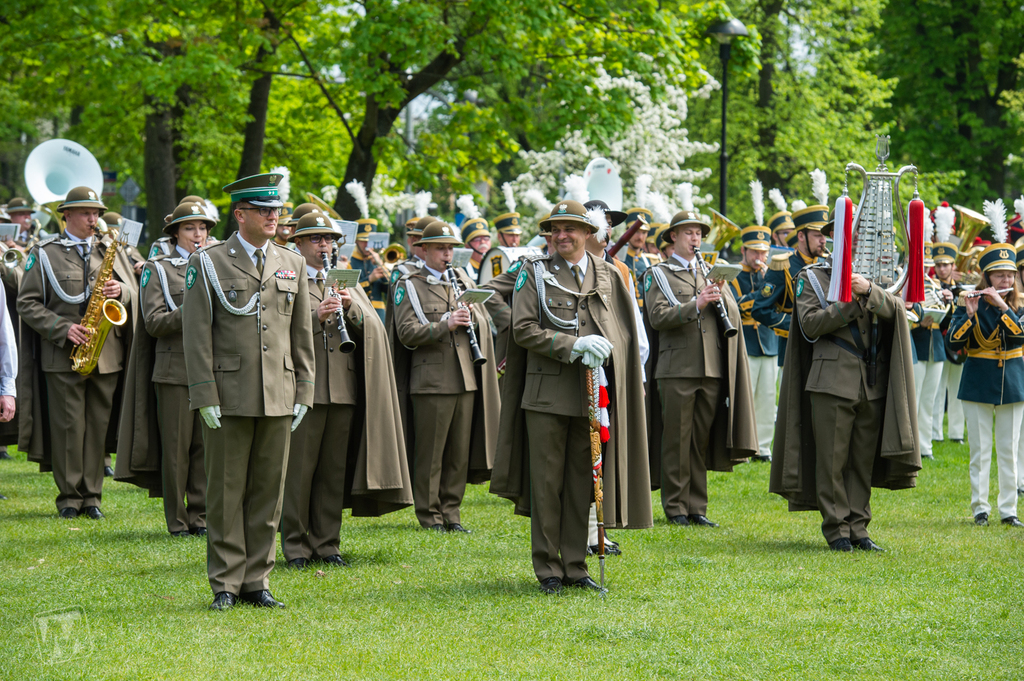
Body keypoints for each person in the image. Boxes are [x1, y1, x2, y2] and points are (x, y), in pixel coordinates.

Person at [491, 200, 651, 594]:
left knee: (584, 480)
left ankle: (576, 566)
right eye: (554, 230)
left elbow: (623, 331)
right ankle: (548, 568)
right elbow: (524, 329)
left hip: (592, 394)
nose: (561, 236)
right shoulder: (535, 273)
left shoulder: (608, 275)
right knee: (548, 484)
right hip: (546, 393)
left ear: (587, 233)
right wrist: (573, 344)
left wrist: (609, 349)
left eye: (570, 229)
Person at [182, 172, 315, 610]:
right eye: (264, 209)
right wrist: (204, 393)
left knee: (268, 491)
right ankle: (225, 581)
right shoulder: (209, 261)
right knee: (225, 490)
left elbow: (301, 333)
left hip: (278, 390)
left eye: (276, 209)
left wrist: (305, 388)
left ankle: (258, 579)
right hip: (229, 392)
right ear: (240, 215)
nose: (274, 215)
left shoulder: (291, 261)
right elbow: (196, 332)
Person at [770, 219, 920, 551]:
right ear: (833, 240)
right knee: (832, 459)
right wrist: (852, 304)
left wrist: (869, 291)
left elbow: (900, 311)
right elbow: (809, 325)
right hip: (831, 381)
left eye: (860, 235)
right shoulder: (813, 278)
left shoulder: (879, 279)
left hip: (872, 382)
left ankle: (859, 527)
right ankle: (836, 528)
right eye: (846, 235)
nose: (855, 241)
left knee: (861, 460)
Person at [281, 212, 413, 568]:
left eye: (329, 240)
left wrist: (351, 308)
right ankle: (295, 546)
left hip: (342, 387)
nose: (325, 246)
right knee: (299, 472)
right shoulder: (286, 277)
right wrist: (315, 317)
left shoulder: (344, 280)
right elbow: (275, 331)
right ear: (298, 243)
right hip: (302, 389)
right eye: (316, 240)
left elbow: (372, 329)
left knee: (331, 471)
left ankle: (327, 544)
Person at [17, 186, 138, 519]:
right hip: (64, 355)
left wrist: (122, 291)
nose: (93, 219)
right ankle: (70, 497)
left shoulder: (110, 249)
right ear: (66, 215)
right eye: (86, 213)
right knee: (69, 428)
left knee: (98, 427)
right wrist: (62, 329)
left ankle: (93, 497)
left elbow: (133, 290)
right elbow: (26, 303)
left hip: (106, 354)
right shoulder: (44, 252)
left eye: (96, 212)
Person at [645, 210, 757, 528]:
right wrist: (696, 303)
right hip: (676, 367)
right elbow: (657, 317)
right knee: (677, 439)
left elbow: (731, 316)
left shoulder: (708, 272)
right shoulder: (660, 274)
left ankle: (697, 507)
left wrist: (720, 294)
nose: (695, 239)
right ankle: (676, 506)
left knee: (700, 440)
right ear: (673, 238)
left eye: (698, 233)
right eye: (689, 233)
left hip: (710, 366)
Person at [390, 221, 500, 532]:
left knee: (457, 454)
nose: (447, 254)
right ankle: (430, 515)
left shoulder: (461, 280)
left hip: (465, 376)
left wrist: (471, 317)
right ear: (423, 250)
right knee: (431, 454)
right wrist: (445, 324)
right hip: (431, 380)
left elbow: (484, 320)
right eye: (440, 248)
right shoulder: (409, 284)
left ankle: (452, 513)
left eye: (450, 248)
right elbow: (407, 332)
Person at [116, 202, 212, 537]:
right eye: (190, 228)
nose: (198, 234)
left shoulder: (216, 266)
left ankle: (201, 517)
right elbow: (154, 323)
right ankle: (178, 520)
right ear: (175, 233)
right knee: (176, 451)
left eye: (202, 228)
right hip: (174, 371)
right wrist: (193, 308)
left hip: (211, 370)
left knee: (205, 449)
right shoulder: (156, 270)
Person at [948, 241, 1024, 528]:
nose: (1006, 280)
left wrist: (1003, 305)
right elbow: (953, 344)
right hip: (978, 378)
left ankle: (1009, 510)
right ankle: (980, 508)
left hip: (1012, 381)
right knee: (979, 450)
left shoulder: (1019, 303)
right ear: (987, 278)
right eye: (999, 275)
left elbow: (1019, 337)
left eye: (1010, 274)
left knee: (1009, 449)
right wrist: (969, 315)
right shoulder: (969, 300)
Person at [752, 204, 827, 368]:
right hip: (793, 348)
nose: (823, 240)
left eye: (825, 235)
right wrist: (793, 325)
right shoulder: (782, 265)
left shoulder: (827, 264)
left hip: (825, 350)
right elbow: (760, 309)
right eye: (817, 235)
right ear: (801, 236)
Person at [730, 225, 778, 462]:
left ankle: (763, 447)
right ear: (743, 250)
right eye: (754, 252)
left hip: (768, 341)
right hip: (745, 341)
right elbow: (736, 306)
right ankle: (744, 445)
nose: (760, 258)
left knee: (768, 397)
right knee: (745, 396)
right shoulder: (733, 274)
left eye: (763, 253)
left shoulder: (772, 275)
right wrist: (761, 293)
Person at [908, 247, 954, 460]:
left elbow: (946, 323)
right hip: (916, 343)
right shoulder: (907, 285)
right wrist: (918, 323)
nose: (926, 268)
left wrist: (949, 304)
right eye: (923, 264)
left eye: (927, 264)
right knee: (913, 398)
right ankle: (910, 446)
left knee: (929, 399)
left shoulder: (934, 286)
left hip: (935, 347)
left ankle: (925, 447)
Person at [932, 230, 966, 444]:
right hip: (939, 344)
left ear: (954, 266)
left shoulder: (962, 289)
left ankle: (956, 433)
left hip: (959, 347)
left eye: (946, 264)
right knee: (937, 391)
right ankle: (935, 432)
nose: (942, 268)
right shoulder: (931, 288)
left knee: (957, 390)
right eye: (939, 265)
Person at [350, 220, 388, 323]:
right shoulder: (349, 262)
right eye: (363, 240)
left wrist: (381, 265)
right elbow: (350, 291)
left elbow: (390, 291)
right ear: (356, 241)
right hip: (359, 313)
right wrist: (370, 279)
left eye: (370, 240)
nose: (367, 244)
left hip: (379, 314)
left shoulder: (377, 260)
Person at [619, 207, 653, 310]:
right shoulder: (618, 256)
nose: (640, 237)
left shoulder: (651, 260)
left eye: (644, 232)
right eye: (636, 231)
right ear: (627, 231)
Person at [461, 216, 491, 283]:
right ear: (467, 245)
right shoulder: (462, 269)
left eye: (486, 239)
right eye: (477, 239)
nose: (483, 242)